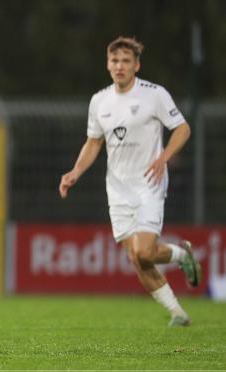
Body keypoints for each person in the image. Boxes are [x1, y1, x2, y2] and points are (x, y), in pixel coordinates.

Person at [59, 36, 201, 326]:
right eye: (114, 61)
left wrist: (163, 158)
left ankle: (181, 255)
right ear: (107, 64)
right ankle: (177, 313)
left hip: (149, 183)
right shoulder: (99, 101)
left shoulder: (154, 94)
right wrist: (75, 171)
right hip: (117, 189)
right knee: (138, 259)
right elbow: (94, 142)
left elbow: (183, 129)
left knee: (144, 251)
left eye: (126, 61)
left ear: (136, 65)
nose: (119, 66)